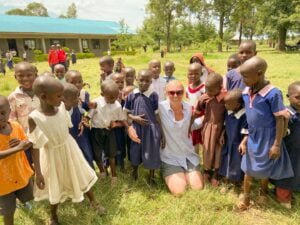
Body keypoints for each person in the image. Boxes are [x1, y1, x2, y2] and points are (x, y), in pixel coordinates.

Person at [28, 76, 105, 225]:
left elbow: (66, 127)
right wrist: (38, 172)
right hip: (51, 155)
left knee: (79, 174)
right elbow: (35, 146)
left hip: (69, 149)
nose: (63, 98)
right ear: (44, 97)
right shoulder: (34, 118)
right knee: (54, 183)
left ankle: (93, 202)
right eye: (59, 95)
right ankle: (54, 215)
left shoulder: (61, 107)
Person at [237, 56, 293, 210]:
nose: (243, 80)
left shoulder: (273, 93)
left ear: (260, 73)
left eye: (246, 76)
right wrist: (245, 138)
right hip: (253, 135)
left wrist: (276, 144)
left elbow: (280, 119)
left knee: (265, 166)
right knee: (248, 167)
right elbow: (250, 117)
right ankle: (246, 196)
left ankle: (263, 192)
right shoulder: (246, 91)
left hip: (268, 137)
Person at [159, 80, 204, 195]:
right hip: (170, 157)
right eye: (171, 92)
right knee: (180, 192)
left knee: (197, 188)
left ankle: (186, 173)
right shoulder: (159, 109)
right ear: (166, 93)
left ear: (183, 93)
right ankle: (168, 172)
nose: (175, 96)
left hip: (188, 156)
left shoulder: (189, 108)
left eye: (179, 92)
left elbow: (192, 125)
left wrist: (207, 118)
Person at [125, 69, 165, 185]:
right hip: (137, 128)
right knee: (135, 150)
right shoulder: (131, 95)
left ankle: (151, 176)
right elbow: (126, 112)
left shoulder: (153, 96)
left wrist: (161, 132)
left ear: (151, 82)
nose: (144, 83)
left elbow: (156, 114)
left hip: (150, 129)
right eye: (141, 80)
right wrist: (134, 118)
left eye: (147, 81)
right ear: (136, 80)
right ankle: (134, 172)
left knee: (151, 151)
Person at [0, 96, 34, 225]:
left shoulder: (15, 126)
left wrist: (22, 143)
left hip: (20, 174)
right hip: (2, 184)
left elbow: (26, 142)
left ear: (9, 111)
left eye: (2, 113)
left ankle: (21, 202)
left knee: (29, 196)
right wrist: (18, 148)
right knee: (8, 213)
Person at [88, 80, 128, 185]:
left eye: (116, 96)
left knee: (111, 154)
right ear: (102, 94)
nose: (114, 99)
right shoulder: (96, 103)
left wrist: (116, 124)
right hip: (96, 131)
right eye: (111, 97)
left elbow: (122, 120)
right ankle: (102, 171)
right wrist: (85, 121)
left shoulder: (117, 105)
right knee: (97, 153)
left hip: (109, 132)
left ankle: (113, 175)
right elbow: (88, 116)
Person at [191, 73, 226, 186]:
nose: (208, 92)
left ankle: (216, 172)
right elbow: (196, 112)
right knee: (207, 149)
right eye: (206, 89)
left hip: (220, 128)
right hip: (207, 127)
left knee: (218, 151)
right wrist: (189, 125)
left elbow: (227, 117)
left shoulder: (225, 98)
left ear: (220, 88)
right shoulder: (204, 98)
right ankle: (207, 170)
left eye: (211, 90)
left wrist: (223, 133)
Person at [272, 81, 300, 209]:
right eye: (297, 97)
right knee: (286, 175)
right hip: (289, 152)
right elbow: (280, 133)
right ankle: (283, 196)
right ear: (288, 97)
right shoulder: (286, 114)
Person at [8, 62, 39, 164]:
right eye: (21, 75)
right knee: (29, 168)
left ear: (36, 74)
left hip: (45, 138)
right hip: (26, 141)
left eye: (29, 75)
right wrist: (20, 139)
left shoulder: (43, 92)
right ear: (15, 77)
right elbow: (12, 121)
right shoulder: (13, 97)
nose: (25, 79)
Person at [219, 89, 247, 193]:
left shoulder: (244, 115)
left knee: (236, 163)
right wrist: (222, 134)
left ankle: (236, 183)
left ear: (238, 104)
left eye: (228, 103)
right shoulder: (228, 112)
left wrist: (243, 143)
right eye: (225, 103)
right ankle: (226, 181)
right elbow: (225, 125)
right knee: (226, 160)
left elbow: (247, 132)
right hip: (228, 142)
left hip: (238, 144)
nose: (225, 105)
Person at [62, 83, 95, 169]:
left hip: (81, 136)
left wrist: (85, 118)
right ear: (64, 100)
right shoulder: (59, 112)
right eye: (75, 98)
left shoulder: (78, 105)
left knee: (87, 153)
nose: (78, 99)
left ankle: (90, 171)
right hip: (68, 140)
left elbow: (92, 107)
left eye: (78, 96)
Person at [186, 63, 205, 152]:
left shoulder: (204, 88)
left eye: (196, 73)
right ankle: (195, 159)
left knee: (202, 138)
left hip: (202, 115)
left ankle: (206, 162)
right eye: (190, 73)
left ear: (201, 74)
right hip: (192, 115)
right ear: (187, 74)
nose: (193, 76)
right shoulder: (187, 87)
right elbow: (190, 101)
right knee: (194, 139)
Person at [111, 73, 127, 171]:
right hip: (111, 125)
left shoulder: (124, 95)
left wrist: (123, 100)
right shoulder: (109, 95)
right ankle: (110, 163)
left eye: (122, 82)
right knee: (112, 144)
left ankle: (121, 164)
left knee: (121, 144)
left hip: (121, 125)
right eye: (117, 82)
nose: (120, 84)